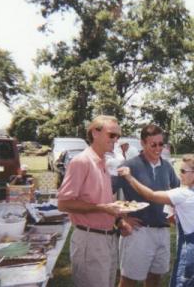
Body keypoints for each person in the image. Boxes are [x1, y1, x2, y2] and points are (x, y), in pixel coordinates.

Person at [118, 154, 194, 287]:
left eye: (183, 171)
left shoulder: (184, 194)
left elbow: (150, 195)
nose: (180, 175)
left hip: (191, 252)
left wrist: (129, 177)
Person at [57, 115, 125, 287]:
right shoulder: (81, 162)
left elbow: (104, 200)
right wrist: (102, 208)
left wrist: (118, 219)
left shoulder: (102, 161)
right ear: (95, 133)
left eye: (118, 136)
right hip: (90, 240)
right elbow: (63, 203)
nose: (116, 140)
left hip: (108, 238)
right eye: (112, 135)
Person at [112, 124, 180, 287]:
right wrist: (121, 220)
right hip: (138, 233)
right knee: (128, 281)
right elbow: (106, 194)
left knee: (154, 279)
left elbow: (177, 192)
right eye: (153, 144)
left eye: (161, 144)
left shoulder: (167, 166)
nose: (158, 149)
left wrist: (173, 213)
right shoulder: (129, 166)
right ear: (142, 143)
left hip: (162, 232)